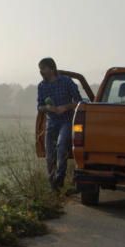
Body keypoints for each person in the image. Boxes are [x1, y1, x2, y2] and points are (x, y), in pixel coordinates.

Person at [37, 57, 81, 191]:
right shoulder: (41, 86)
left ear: (51, 68)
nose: (41, 72)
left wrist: (65, 107)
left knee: (62, 148)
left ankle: (59, 180)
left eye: (43, 69)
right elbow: (39, 106)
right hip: (51, 122)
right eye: (40, 69)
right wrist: (47, 108)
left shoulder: (67, 82)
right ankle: (53, 186)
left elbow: (79, 102)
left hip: (66, 121)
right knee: (49, 154)